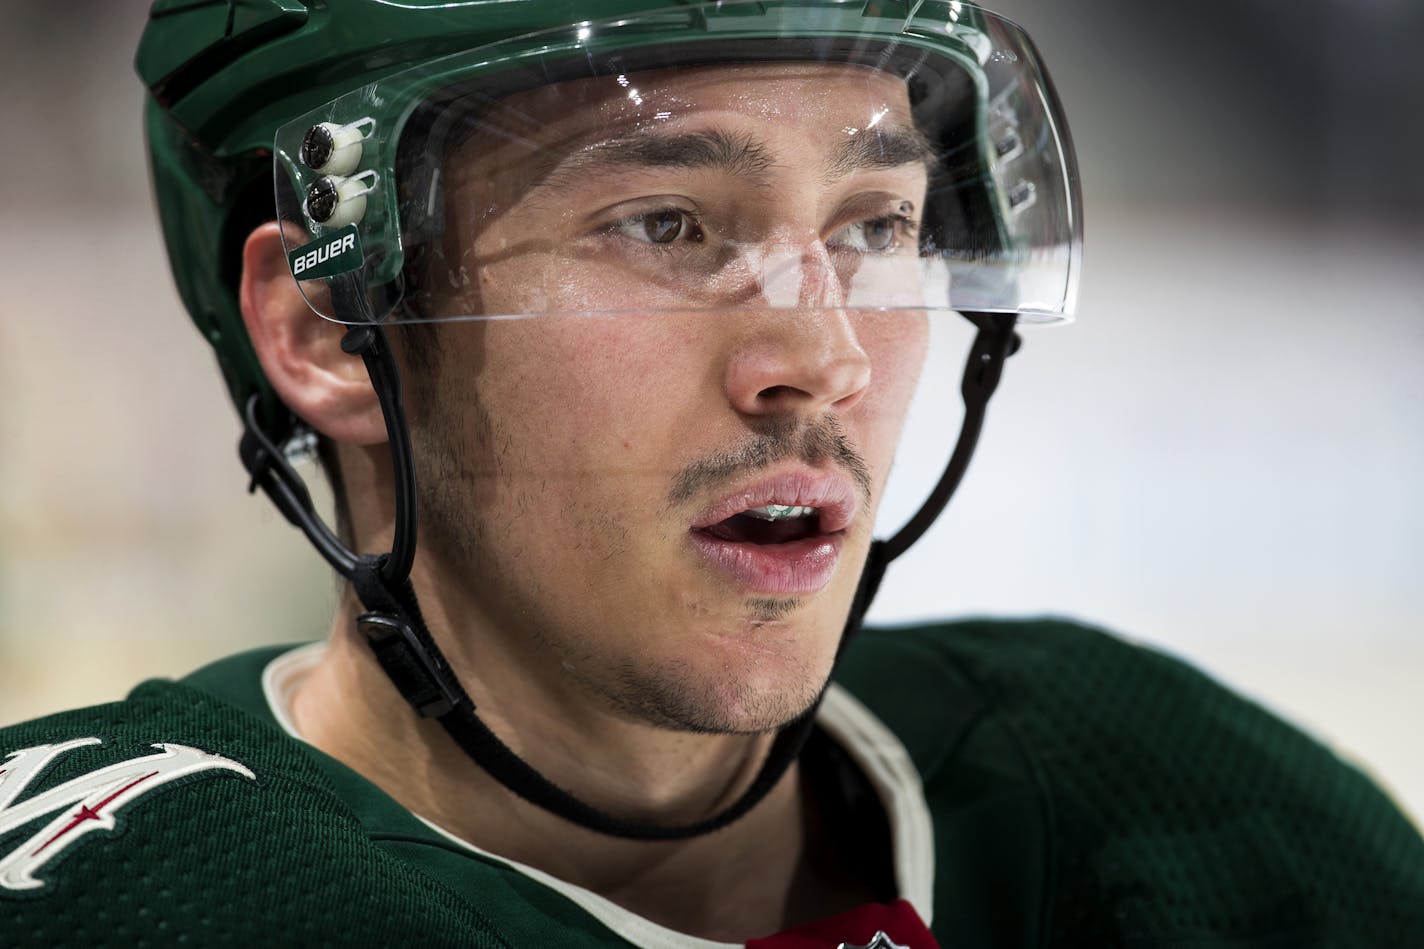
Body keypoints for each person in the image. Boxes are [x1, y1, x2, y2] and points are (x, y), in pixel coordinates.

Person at [2, 1, 1420, 945]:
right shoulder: (158, 894)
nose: (820, 357)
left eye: (874, 221)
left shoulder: (1178, 799)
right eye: (667, 223)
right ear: (328, 328)